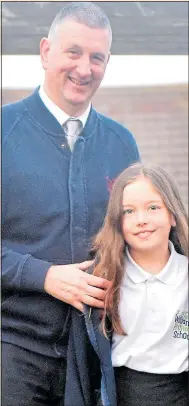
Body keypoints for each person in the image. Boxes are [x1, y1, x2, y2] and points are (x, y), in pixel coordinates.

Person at [2, 2, 140, 405]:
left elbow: (134, 238)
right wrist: (43, 276)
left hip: (96, 354)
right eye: (73, 52)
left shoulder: (121, 143)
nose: (85, 68)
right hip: (13, 348)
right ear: (46, 51)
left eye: (97, 57)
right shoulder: (3, 132)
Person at [68, 162, 188, 406]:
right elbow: (82, 365)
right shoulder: (103, 278)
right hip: (122, 394)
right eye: (129, 211)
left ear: (172, 215)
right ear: (116, 221)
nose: (141, 220)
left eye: (153, 207)